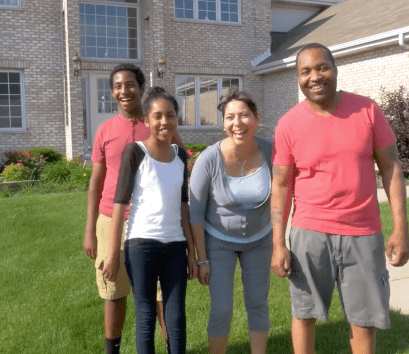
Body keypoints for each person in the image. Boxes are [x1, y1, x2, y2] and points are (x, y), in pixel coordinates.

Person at [270, 43, 409, 354]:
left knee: (363, 320)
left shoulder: (368, 111)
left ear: (334, 69)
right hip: (309, 233)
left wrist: (400, 229)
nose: (315, 76)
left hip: (362, 232)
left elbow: (391, 168)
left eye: (322, 67)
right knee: (304, 314)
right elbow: (281, 185)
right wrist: (279, 243)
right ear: (297, 77)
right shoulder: (288, 124)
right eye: (305, 71)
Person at [83, 64, 173, 354]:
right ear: (112, 92)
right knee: (115, 291)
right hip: (111, 220)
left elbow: (180, 162)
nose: (124, 91)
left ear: (142, 87)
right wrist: (90, 230)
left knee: (161, 294)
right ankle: (113, 350)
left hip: (153, 222)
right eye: (118, 86)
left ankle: (171, 346)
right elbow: (96, 182)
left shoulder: (157, 124)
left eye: (130, 84)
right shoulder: (105, 130)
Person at [102, 86, 198, 354]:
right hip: (141, 244)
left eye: (170, 116)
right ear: (147, 119)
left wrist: (192, 252)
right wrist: (113, 254)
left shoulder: (180, 156)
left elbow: (183, 205)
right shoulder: (135, 151)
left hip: (175, 246)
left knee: (176, 315)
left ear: (176, 119)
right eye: (157, 116)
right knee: (145, 315)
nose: (164, 122)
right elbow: (119, 205)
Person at [190, 90, 273, 354]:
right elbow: (195, 213)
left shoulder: (272, 150)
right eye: (230, 117)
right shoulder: (209, 159)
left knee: (258, 303)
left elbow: (286, 190)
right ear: (223, 123)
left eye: (244, 115)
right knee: (222, 308)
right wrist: (202, 259)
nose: (237, 123)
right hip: (219, 242)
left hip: (260, 239)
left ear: (256, 118)